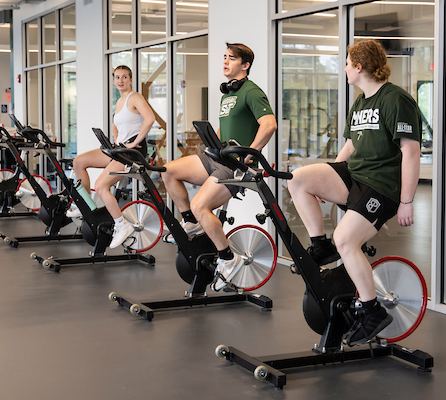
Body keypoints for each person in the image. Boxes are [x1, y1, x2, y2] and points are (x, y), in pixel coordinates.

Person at [286, 39, 422, 346]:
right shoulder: (361, 101)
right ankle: (320, 246)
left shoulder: (395, 99)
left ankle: (372, 311)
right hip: (355, 176)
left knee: (346, 240)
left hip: (382, 186)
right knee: (298, 179)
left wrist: (406, 202)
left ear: (359, 67)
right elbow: (350, 146)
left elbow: (411, 153)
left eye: (347, 63)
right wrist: (329, 176)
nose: (345, 68)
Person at [161, 43, 277, 290]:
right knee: (169, 170)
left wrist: (251, 154)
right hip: (218, 156)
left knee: (201, 205)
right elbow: (225, 129)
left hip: (234, 165)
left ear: (245, 65)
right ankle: (190, 221)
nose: (225, 61)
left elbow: (269, 125)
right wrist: (210, 143)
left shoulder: (252, 92)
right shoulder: (229, 93)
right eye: (224, 57)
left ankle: (228, 258)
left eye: (231, 58)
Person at [69, 65, 155, 249]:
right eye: (117, 77)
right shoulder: (120, 100)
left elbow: (150, 118)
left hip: (133, 154)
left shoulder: (135, 97)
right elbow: (116, 124)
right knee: (79, 161)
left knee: (100, 186)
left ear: (130, 79)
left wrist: (134, 142)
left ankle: (121, 225)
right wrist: (116, 140)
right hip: (119, 149)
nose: (120, 80)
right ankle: (84, 206)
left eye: (124, 77)